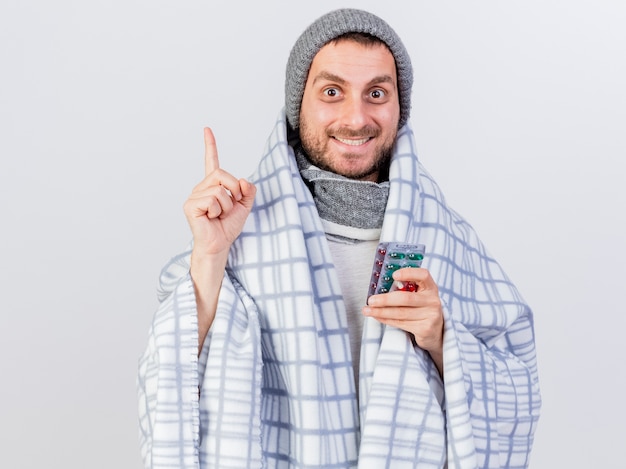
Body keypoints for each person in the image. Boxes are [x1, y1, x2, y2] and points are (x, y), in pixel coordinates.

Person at [137, 8, 541, 469]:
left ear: (398, 107)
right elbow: (170, 379)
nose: (356, 118)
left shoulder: (447, 237)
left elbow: (518, 385)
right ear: (297, 105)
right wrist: (210, 256)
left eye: (376, 93)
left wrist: (443, 338)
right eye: (332, 92)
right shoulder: (237, 228)